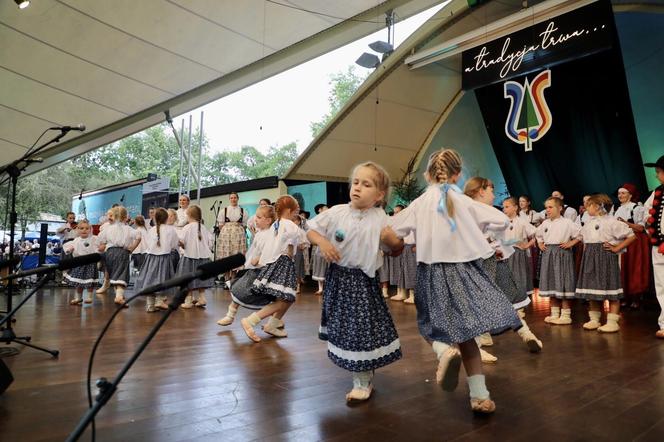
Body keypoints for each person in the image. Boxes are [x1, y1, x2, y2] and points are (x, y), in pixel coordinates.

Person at [389, 149, 521, 414]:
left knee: (430, 326)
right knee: (467, 336)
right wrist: (474, 230)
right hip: (465, 273)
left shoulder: (420, 203)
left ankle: (443, 353)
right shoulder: (466, 203)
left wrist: (392, 243)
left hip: (433, 273)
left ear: (428, 174)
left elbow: (393, 231)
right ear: (458, 175)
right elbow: (501, 219)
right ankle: (480, 396)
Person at [308, 162, 403, 403]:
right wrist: (323, 243)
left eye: (366, 184)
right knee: (347, 327)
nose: (357, 187)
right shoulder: (337, 212)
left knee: (360, 328)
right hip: (339, 278)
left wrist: (393, 242)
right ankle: (362, 372)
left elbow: (396, 249)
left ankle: (362, 379)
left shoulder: (381, 218)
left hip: (363, 281)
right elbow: (311, 230)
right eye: (356, 182)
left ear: (379, 195)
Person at [465, 180, 542, 355]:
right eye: (491, 191)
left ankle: (526, 335)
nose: (494, 195)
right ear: (481, 192)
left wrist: (506, 244)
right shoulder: (469, 211)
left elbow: (501, 235)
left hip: (497, 262)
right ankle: (480, 343)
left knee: (505, 300)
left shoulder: (491, 213)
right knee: (481, 303)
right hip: (480, 264)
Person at [239, 195, 302, 342]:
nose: (297, 210)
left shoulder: (277, 224)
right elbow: (293, 245)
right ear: (288, 210)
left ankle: (272, 324)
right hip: (283, 264)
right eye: (296, 208)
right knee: (283, 300)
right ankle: (251, 321)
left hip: (274, 264)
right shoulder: (290, 225)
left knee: (288, 298)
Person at [575, 194, 636, 332]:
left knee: (610, 287)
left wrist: (616, 248)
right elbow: (584, 240)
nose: (585, 208)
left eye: (588, 205)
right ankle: (594, 319)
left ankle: (612, 321)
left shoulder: (612, 221)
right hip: (590, 257)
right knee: (592, 289)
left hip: (605, 257)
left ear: (597, 206)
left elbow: (631, 236)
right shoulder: (589, 222)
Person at [217, 205, 276, 326]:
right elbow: (254, 249)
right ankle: (230, 315)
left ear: (269, 220)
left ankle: (275, 322)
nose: (256, 220)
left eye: (259, 217)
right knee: (239, 289)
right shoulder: (260, 233)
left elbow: (271, 250)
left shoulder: (271, 234)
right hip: (253, 269)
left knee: (272, 298)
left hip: (262, 271)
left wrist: (259, 258)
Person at [536, 197, 581, 324]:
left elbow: (580, 234)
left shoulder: (567, 222)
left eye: (550, 207)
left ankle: (566, 315)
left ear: (560, 208)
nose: (547, 210)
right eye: (546, 207)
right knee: (552, 281)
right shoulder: (545, 223)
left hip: (562, 254)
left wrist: (571, 243)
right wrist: (540, 244)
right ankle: (554, 313)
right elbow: (538, 235)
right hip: (548, 254)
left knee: (563, 281)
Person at [134, 208, 179, 312]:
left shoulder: (151, 230)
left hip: (151, 258)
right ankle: (159, 300)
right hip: (164, 258)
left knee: (150, 280)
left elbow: (148, 244)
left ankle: (150, 305)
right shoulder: (170, 230)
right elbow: (174, 244)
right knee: (162, 279)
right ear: (166, 218)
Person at [614, 183, 650, 309]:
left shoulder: (636, 208)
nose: (620, 195)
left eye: (623, 193)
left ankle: (636, 297)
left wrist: (625, 223)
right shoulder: (617, 208)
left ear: (631, 194)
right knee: (622, 268)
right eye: (619, 193)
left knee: (634, 267)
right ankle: (625, 296)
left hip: (635, 241)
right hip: (621, 241)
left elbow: (640, 228)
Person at [97, 206, 141, 306]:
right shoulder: (128, 229)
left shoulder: (108, 229)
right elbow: (139, 237)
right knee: (121, 275)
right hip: (122, 253)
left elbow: (101, 242)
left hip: (109, 253)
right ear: (126, 217)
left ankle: (118, 294)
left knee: (114, 275)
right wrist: (132, 248)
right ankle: (119, 296)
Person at [177, 205, 215, 309]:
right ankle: (202, 298)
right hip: (203, 258)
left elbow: (181, 241)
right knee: (200, 279)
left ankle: (188, 300)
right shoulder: (203, 227)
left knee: (188, 279)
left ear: (189, 215)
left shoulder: (187, 228)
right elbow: (209, 242)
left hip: (189, 257)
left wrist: (180, 243)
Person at [643, 155, 664, 339]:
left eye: (658, 172)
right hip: (659, 245)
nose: (657, 176)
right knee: (661, 284)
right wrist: (649, 228)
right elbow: (646, 213)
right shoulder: (657, 193)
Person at [64, 220, 99, 305]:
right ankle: (78, 298)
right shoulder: (76, 240)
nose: (84, 230)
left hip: (90, 263)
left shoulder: (94, 238)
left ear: (90, 230)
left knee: (89, 281)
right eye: (82, 228)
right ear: (78, 230)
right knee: (78, 282)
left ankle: (90, 297)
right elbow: (69, 249)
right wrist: (70, 249)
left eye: (87, 228)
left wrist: (100, 249)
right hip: (79, 263)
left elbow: (99, 246)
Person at [216, 192, 248, 280]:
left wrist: (237, 230)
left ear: (238, 199)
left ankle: (233, 280)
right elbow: (220, 224)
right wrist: (228, 231)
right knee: (226, 256)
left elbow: (244, 225)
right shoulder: (224, 210)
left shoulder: (243, 211)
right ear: (229, 199)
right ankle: (226, 279)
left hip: (238, 235)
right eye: (231, 198)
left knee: (236, 255)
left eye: (235, 198)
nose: (233, 199)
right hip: (226, 235)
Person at [310, 204, 329, 295]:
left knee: (328, 267)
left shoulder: (331, 219)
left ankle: (328, 287)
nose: (327, 209)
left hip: (330, 245)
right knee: (319, 266)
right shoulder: (315, 221)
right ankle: (320, 288)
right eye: (325, 208)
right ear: (319, 210)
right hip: (320, 246)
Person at [96, 209, 114, 295]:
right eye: (109, 215)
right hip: (107, 249)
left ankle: (118, 290)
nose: (110, 217)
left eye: (112, 215)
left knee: (116, 269)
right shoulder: (105, 226)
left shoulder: (122, 226)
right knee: (106, 267)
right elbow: (101, 238)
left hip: (117, 250)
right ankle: (106, 282)